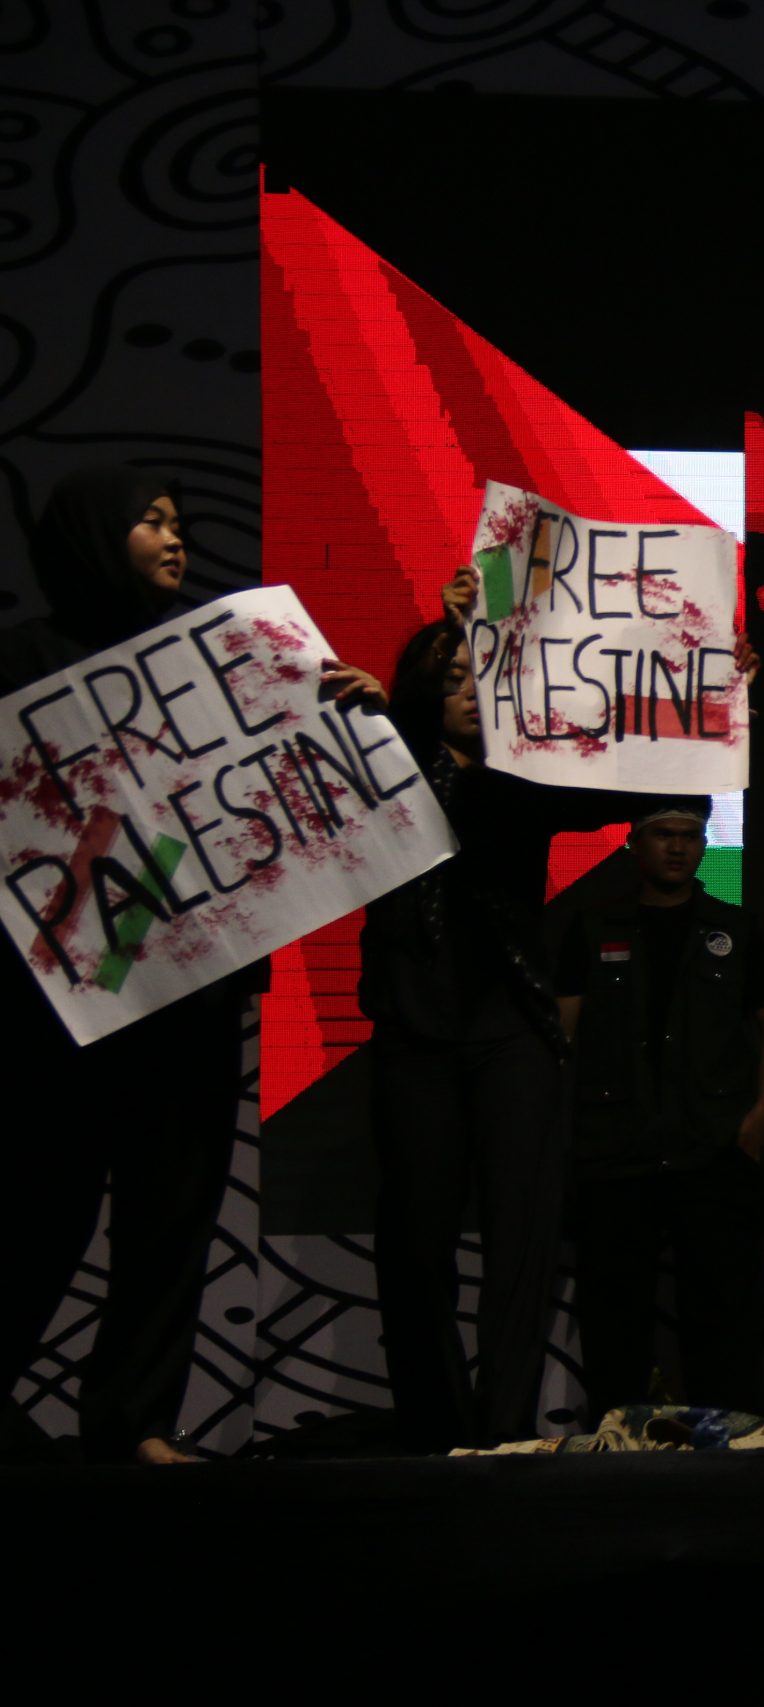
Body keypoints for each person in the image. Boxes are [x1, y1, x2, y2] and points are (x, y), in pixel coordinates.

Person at [0, 468, 377, 1464]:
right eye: (151, 520)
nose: (176, 538)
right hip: (62, 1004)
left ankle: (135, 1422)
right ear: (94, 532)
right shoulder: (23, 661)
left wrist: (351, 714)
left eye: (178, 521)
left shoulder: (223, 657)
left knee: (171, 1213)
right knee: (39, 1209)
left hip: (191, 991)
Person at [361, 565, 741, 1452]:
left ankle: (503, 1431)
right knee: (415, 1242)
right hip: (415, 1030)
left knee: (522, 1242)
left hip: (513, 1030)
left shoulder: (516, 781)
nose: (467, 690)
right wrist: (418, 668)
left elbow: (637, 781)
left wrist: (720, 693)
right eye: (449, 678)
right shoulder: (382, 772)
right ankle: (432, 1431)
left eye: (478, 674)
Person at [553, 797, 764, 1424]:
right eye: (665, 835)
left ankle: (728, 1436)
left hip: (711, 1144)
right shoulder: (594, 926)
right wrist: (557, 1121)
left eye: (691, 836)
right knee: (613, 1310)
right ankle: (618, 1437)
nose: (679, 847)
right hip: (615, 1144)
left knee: (722, 1307)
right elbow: (561, 1031)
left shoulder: (733, 928)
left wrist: (761, 1115)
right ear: (635, 844)